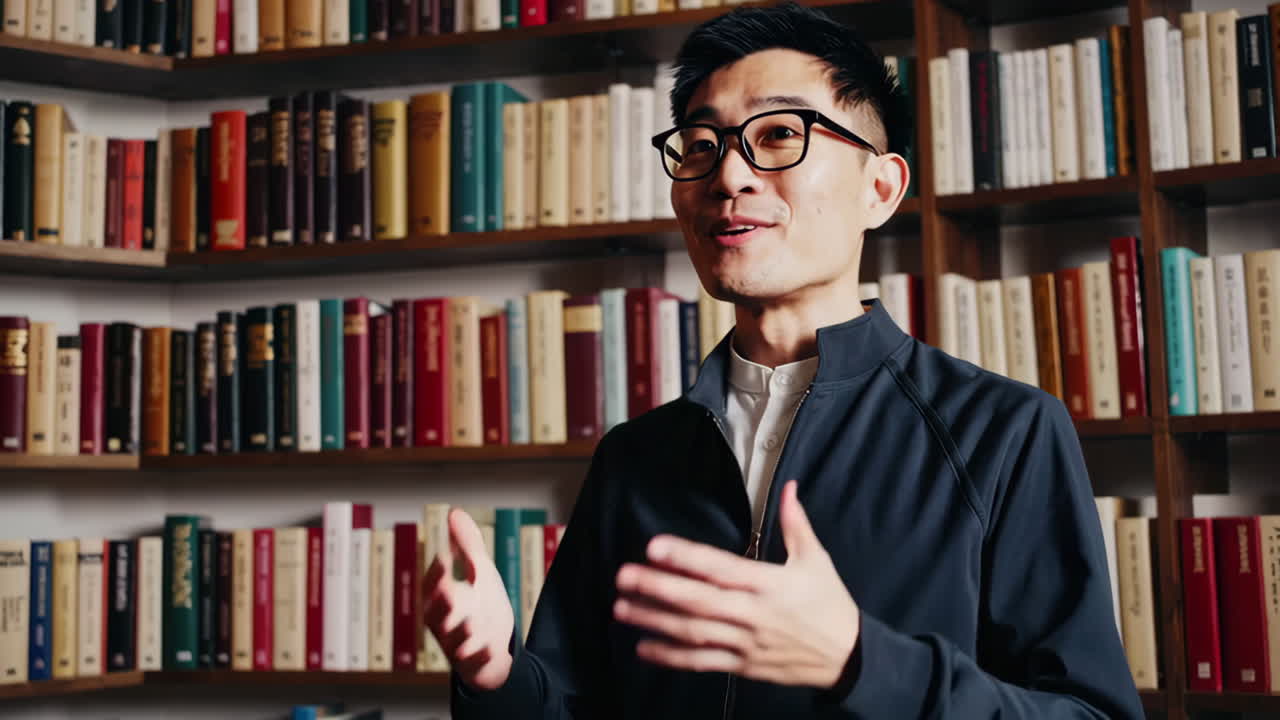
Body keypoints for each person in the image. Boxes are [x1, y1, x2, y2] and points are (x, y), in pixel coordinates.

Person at [423, 2, 1146, 717]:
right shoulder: (634, 458)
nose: (728, 175)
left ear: (880, 189)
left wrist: (860, 662)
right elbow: (575, 705)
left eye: (777, 135)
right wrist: (498, 677)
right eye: (701, 146)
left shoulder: (1004, 432)